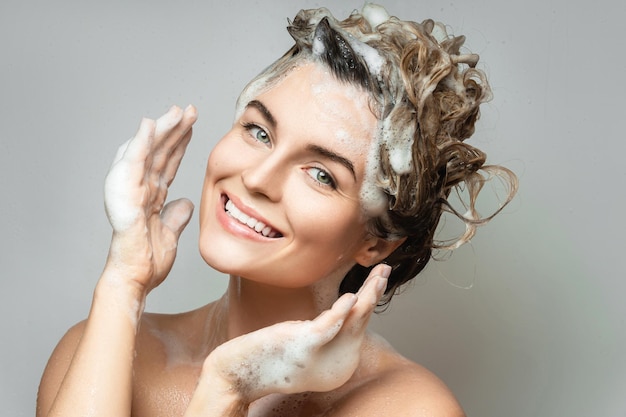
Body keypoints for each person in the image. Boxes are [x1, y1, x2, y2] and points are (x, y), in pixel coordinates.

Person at [36, 4, 517, 417]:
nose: (257, 178)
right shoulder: (105, 346)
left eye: (321, 174)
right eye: (259, 132)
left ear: (377, 242)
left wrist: (227, 389)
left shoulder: (405, 408)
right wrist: (123, 280)